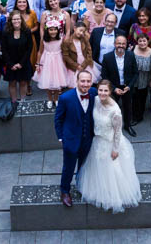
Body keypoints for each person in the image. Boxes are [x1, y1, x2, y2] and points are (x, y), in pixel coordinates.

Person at [75, 78, 142, 213]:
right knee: (97, 168)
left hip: (110, 143)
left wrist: (115, 149)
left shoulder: (115, 111)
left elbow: (118, 132)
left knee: (112, 170)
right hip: (97, 141)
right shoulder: (95, 100)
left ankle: (113, 195)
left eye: (105, 91)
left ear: (110, 91)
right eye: (100, 90)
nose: (102, 93)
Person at [54, 70, 98, 207]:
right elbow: (58, 119)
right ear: (77, 81)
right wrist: (61, 138)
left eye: (88, 81)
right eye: (82, 81)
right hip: (71, 139)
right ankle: (65, 191)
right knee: (68, 167)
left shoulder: (94, 93)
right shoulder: (65, 98)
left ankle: (81, 185)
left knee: (84, 165)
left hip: (88, 138)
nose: (85, 84)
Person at [100, 35, 138, 136]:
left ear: (126, 45)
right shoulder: (107, 57)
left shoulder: (131, 55)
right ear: (114, 44)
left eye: (123, 44)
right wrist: (114, 88)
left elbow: (135, 73)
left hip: (127, 87)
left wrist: (129, 86)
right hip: (113, 87)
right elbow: (104, 76)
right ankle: (111, 127)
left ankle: (127, 125)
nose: (121, 45)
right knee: (112, 109)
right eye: (118, 43)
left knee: (128, 107)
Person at [33, 20, 71, 109]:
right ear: (47, 30)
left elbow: (64, 52)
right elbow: (40, 52)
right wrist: (38, 63)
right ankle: (50, 99)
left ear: (58, 30)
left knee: (58, 82)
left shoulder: (61, 39)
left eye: (55, 29)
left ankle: (56, 98)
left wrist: (65, 64)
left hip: (58, 61)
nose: (53, 32)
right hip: (46, 61)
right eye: (51, 30)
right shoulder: (44, 40)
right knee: (47, 81)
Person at [2, 9, 34, 103]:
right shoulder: (6, 32)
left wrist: (21, 63)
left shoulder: (27, 31)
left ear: (21, 20)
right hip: (10, 62)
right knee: (12, 83)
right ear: (10, 20)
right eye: (14, 19)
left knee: (23, 82)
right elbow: (4, 49)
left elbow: (29, 48)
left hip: (23, 62)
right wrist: (10, 64)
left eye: (18, 19)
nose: (16, 21)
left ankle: (22, 102)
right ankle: (14, 102)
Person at [131, 33, 151, 125]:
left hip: (145, 78)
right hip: (134, 78)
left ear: (148, 41)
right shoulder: (133, 49)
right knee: (134, 98)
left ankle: (139, 116)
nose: (142, 43)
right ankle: (133, 116)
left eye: (144, 41)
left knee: (142, 98)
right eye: (140, 41)